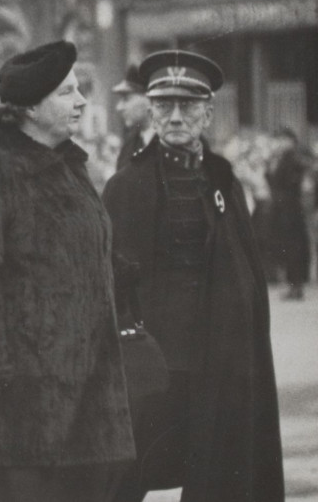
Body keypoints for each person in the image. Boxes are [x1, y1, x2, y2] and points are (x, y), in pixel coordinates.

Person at [0, 41, 135, 501]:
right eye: (67, 92)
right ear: (29, 108)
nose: (82, 101)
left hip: (89, 402)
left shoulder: (70, 168)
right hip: (20, 416)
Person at [105, 50, 284, 502]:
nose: (176, 117)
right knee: (126, 471)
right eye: (164, 106)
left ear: (207, 113)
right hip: (156, 359)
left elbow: (244, 271)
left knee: (222, 470)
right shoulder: (127, 184)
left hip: (217, 354)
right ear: (151, 111)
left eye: (188, 107)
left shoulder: (223, 178)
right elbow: (111, 279)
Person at [267, 127, 313, 300]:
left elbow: (292, 184)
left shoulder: (293, 159)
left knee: (294, 248)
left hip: (290, 211)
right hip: (283, 211)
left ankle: (296, 286)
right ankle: (293, 285)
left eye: (281, 140)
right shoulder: (280, 158)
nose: (277, 143)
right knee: (288, 248)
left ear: (289, 141)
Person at [113, 65, 154, 172]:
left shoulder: (169, 142)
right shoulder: (128, 146)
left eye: (126, 99)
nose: (119, 107)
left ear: (149, 100)